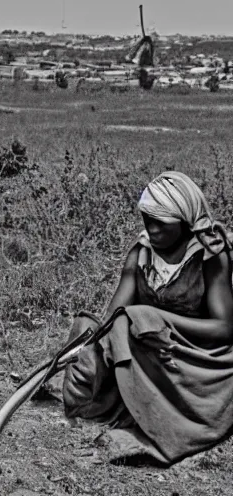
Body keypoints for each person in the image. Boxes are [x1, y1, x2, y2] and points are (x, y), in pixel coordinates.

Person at [59, 171, 233, 465]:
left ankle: (162, 423)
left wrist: (158, 319)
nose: (151, 228)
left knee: (135, 319)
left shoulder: (209, 255)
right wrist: (85, 347)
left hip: (190, 358)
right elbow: (113, 318)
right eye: (146, 219)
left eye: (161, 222)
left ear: (183, 221)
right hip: (144, 348)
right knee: (86, 329)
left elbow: (226, 328)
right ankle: (113, 403)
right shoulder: (141, 253)